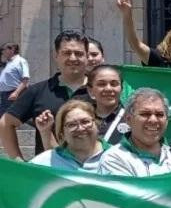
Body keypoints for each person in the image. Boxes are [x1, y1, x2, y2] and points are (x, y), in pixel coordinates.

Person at [0, 30, 92, 160]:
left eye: (78, 53)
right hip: (49, 174)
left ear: (87, 56)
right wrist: (19, 162)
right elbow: (5, 123)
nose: (72, 58)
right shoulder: (37, 91)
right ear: (56, 56)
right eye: (66, 53)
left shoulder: (101, 91)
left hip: (95, 174)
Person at [97, 89, 171, 176]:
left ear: (167, 120)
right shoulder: (114, 158)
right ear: (128, 119)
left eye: (159, 114)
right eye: (145, 114)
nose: (153, 120)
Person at [29, 100, 108, 171]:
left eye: (85, 122)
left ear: (96, 125)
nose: (80, 128)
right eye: (72, 125)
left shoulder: (116, 156)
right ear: (62, 133)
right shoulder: (44, 162)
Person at [86, 65, 128, 145]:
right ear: (90, 90)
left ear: (122, 89)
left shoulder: (132, 119)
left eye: (114, 84)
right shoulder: (82, 118)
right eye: (101, 84)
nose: (108, 89)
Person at [0, 42, 29, 115]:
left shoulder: (21, 61)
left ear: (12, 50)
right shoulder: (9, 63)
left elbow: (25, 79)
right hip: (4, 95)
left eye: (3, 49)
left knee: (16, 116)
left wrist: (16, 93)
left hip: (12, 95)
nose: (2, 52)